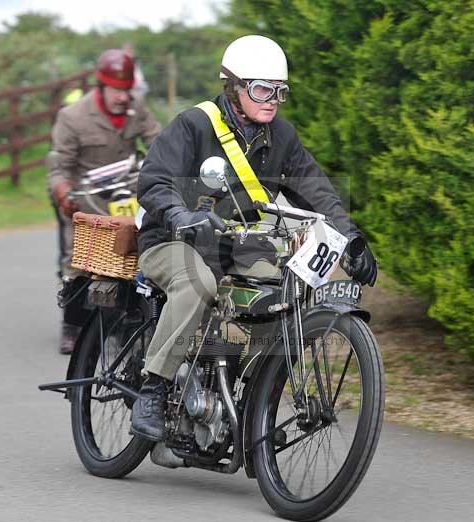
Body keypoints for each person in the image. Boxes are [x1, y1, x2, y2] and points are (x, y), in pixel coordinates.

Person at [132, 35, 378, 441]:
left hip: (234, 244)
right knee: (198, 283)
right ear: (234, 86)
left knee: (280, 290)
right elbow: (154, 181)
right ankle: (154, 387)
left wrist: (351, 238)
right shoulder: (194, 125)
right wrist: (181, 215)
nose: (273, 100)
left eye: (280, 92)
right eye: (263, 90)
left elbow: (318, 192)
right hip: (174, 239)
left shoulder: (282, 137)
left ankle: (250, 396)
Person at [48, 49, 162, 355]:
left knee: (137, 251)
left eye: (126, 90)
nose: (123, 97)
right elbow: (59, 167)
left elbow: (158, 143)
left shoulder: (138, 108)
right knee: (78, 260)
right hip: (86, 199)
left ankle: (127, 320)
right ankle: (72, 324)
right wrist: (63, 193)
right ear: (101, 86)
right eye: (115, 90)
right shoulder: (72, 117)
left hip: (126, 193)